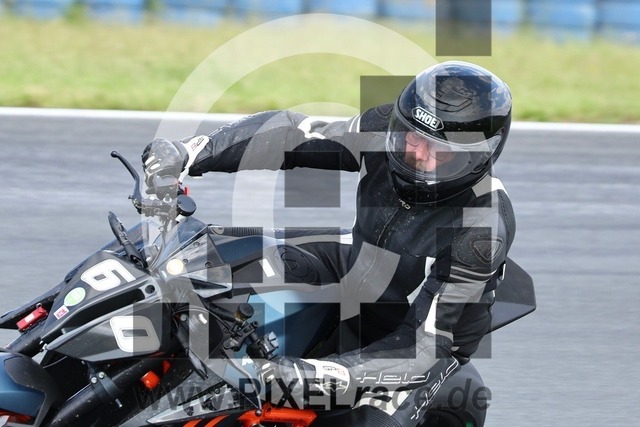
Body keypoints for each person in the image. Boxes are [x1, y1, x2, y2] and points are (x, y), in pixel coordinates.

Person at [142, 60, 515, 426]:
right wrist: (191, 151)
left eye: (439, 152)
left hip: (419, 343)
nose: (416, 155)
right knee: (208, 258)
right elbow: (295, 135)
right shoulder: (386, 130)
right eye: (412, 138)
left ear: (478, 157)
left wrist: (307, 376)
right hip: (356, 265)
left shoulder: (484, 226)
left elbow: (423, 347)